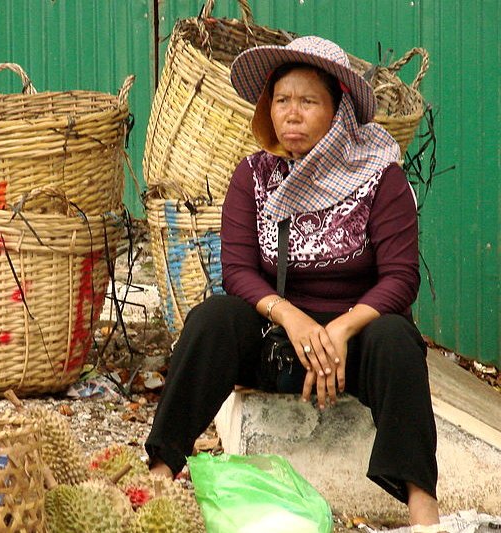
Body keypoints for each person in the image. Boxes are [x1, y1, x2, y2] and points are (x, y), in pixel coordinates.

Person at [145, 36, 441, 530]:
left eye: (308, 101)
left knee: (397, 341)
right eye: (282, 100)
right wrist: (292, 318)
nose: (292, 114)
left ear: (338, 111)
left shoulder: (380, 178)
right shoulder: (254, 175)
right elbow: (237, 269)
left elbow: (400, 277)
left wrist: (340, 331)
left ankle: (423, 509)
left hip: (357, 340)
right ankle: (159, 473)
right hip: (278, 338)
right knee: (212, 319)